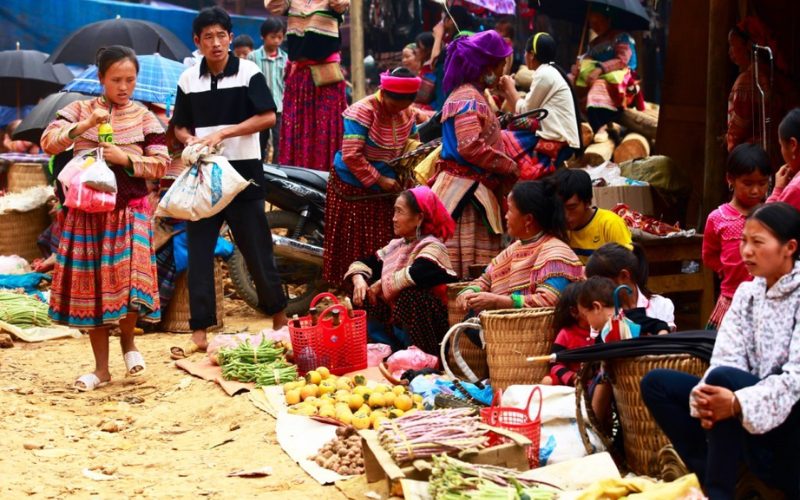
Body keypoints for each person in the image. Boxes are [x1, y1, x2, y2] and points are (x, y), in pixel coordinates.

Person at [641, 202, 800, 499]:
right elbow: (727, 355)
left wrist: (737, 402)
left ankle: (719, 492)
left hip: (788, 418)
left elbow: (795, 378)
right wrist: (711, 401)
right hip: (742, 408)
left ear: (789, 247)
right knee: (657, 384)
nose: (746, 252)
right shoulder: (747, 292)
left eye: (757, 243)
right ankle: (713, 470)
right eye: (743, 241)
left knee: (724, 380)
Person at [40, 46, 169, 391]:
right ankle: (101, 369)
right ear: (101, 79)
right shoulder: (78, 109)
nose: (124, 87)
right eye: (116, 80)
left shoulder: (145, 116)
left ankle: (129, 343)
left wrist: (124, 159)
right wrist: (84, 127)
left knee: (127, 284)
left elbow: (161, 163)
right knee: (93, 286)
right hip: (86, 215)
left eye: (130, 80)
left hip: (130, 211)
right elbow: (48, 143)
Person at [170, 7, 287, 358]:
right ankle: (200, 331)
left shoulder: (249, 72)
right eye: (208, 37)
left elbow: (268, 117)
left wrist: (225, 131)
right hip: (204, 175)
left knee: (257, 248)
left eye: (222, 35)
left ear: (230, 37)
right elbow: (179, 125)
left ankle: (279, 320)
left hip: (244, 173)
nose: (216, 43)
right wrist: (189, 139)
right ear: (197, 42)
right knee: (199, 252)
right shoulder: (189, 79)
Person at [430, 30, 518, 278]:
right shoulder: (469, 97)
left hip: (461, 190)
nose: (502, 71)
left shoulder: (467, 94)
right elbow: (469, 146)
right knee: (469, 265)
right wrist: (508, 165)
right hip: (467, 196)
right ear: (486, 67)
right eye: (500, 64)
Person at [322, 68, 421, 286]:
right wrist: (379, 179)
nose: (397, 112)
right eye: (394, 106)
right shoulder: (361, 112)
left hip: (388, 187)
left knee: (384, 243)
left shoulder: (407, 113)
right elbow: (351, 155)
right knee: (355, 244)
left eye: (403, 108)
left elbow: (412, 142)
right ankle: (353, 291)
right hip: (354, 187)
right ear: (383, 93)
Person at [345, 187, 458, 355]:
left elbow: (418, 272)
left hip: (431, 330)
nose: (394, 219)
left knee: (411, 296)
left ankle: (420, 355)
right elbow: (364, 263)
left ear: (419, 218)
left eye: (399, 212)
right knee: (363, 292)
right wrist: (359, 280)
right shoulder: (396, 246)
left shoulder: (433, 246)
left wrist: (382, 284)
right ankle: (386, 350)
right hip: (398, 322)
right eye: (394, 212)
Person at [456, 181, 584, 313]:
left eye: (510, 210)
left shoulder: (556, 253)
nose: (505, 216)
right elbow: (486, 279)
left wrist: (498, 301)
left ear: (528, 219)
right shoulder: (516, 248)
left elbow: (549, 301)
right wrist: (470, 291)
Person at [266, 0, 348, 172]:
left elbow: (340, 4)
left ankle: (326, 180)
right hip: (299, 77)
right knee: (296, 129)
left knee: (324, 132)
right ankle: (297, 179)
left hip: (326, 78)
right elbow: (273, 6)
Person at [703, 143, 770, 329]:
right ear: (730, 179)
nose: (756, 190)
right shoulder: (717, 219)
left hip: (766, 300)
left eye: (762, 183)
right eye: (748, 183)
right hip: (731, 298)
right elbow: (709, 255)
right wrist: (726, 268)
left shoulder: (771, 215)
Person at [498, 33, 581, 180]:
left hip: (557, 137)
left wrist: (510, 88)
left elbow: (526, 111)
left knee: (501, 139)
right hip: (555, 133)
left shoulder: (544, 74)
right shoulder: (549, 71)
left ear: (531, 55)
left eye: (525, 52)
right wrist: (508, 90)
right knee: (511, 126)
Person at [570, 5, 641, 136]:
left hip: (621, 78)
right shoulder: (594, 43)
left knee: (598, 87)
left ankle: (601, 127)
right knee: (569, 80)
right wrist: (578, 67)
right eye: (592, 23)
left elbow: (622, 60)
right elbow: (586, 59)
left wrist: (600, 69)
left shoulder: (622, 37)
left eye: (598, 22)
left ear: (608, 20)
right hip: (597, 75)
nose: (595, 27)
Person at [585, 243, 676, 330]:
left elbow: (666, 341)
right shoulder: (600, 313)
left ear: (624, 276)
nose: (596, 291)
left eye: (601, 284)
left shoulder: (660, 305)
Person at [555, 168, 632, 263]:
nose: (565, 215)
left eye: (572, 207)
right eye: (559, 207)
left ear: (588, 202)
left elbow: (627, 264)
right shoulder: (557, 228)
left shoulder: (610, 224)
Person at [248, 17, 288, 162]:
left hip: (280, 109)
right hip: (259, 110)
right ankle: (260, 170)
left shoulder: (286, 59)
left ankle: (278, 173)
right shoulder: (253, 57)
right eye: (273, 37)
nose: (276, 40)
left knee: (280, 144)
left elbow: (286, 84)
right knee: (259, 144)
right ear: (263, 36)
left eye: (280, 37)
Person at [542, 281, 592, 386]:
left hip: (596, 381)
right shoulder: (566, 334)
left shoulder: (602, 331)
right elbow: (555, 363)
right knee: (547, 381)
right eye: (590, 306)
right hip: (570, 381)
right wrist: (572, 377)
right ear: (574, 311)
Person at [429, 6, 475, 111]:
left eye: (444, 20)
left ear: (450, 20)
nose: (442, 24)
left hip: (450, 104)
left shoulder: (459, 41)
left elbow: (434, 62)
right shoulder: (470, 37)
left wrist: (438, 36)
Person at [767, 108, 800, 209]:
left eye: (780, 145)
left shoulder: (796, 188)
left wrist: (778, 190)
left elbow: (764, 223)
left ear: (793, 145)